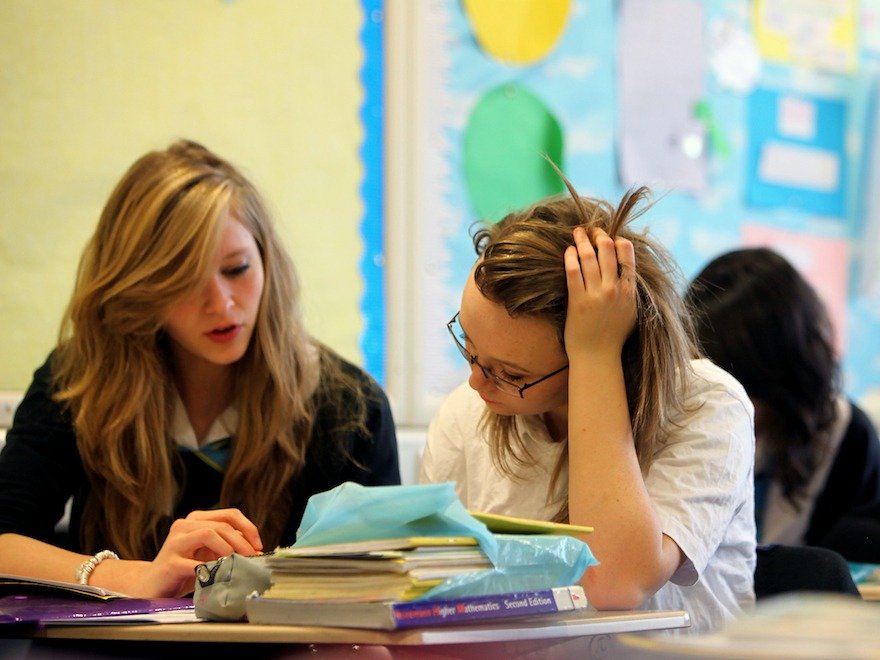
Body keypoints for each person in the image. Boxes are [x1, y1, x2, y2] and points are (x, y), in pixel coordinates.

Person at [0, 140, 400, 598]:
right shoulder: (78, 381)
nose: (222, 304)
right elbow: (5, 540)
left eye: (237, 269)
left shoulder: (350, 405)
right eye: (186, 282)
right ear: (139, 290)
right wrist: (136, 577)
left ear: (267, 259)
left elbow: (385, 584)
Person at [419, 177, 756, 635]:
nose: (476, 381)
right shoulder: (466, 413)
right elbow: (430, 585)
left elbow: (615, 583)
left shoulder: (711, 407)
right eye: (469, 347)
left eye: (512, 374)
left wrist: (597, 358)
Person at [684, 247, 880, 559]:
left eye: (744, 389)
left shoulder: (850, 439)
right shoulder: (689, 421)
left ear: (781, 378)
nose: (726, 404)